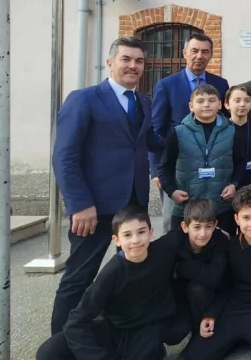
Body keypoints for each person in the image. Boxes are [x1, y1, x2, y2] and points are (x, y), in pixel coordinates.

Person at [50, 37, 167, 334]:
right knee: (80, 275)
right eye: (126, 59)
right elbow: (64, 157)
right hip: (94, 207)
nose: (133, 66)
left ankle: (120, 330)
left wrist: (197, 123)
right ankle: (61, 340)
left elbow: (153, 143)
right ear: (110, 62)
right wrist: (80, 204)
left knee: (130, 272)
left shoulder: (144, 102)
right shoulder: (84, 99)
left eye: (139, 61)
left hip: (134, 204)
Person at [37, 207, 186, 360]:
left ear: (150, 233)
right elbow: (77, 320)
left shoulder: (164, 248)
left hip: (149, 327)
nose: (135, 240)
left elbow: (188, 228)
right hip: (114, 328)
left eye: (141, 232)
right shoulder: (112, 272)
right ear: (117, 240)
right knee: (49, 352)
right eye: (127, 235)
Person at [181, 185, 251, 360]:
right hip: (235, 309)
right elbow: (225, 287)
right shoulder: (231, 246)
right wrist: (211, 315)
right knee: (193, 355)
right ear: (236, 219)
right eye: (246, 217)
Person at [151, 33, 229, 235]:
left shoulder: (221, 84)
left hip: (213, 168)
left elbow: (226, 122)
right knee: (175, 222)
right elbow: (156, 130)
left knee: (211, 221)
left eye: (205, 51)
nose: (199, 56)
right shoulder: (166, 85)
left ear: (211, 55)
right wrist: (156, 170)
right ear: (185, 53)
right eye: (194, 51)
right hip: (177, 168)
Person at [158, 84, 237, 235]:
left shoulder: (231, 131)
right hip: (186, 208)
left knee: (222, 246)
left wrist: (234, 184)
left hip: (221, 207)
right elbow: (164, 167)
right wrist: (172, 191)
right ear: (191, 106)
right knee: (181, 247)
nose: (206, 104)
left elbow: (240, 162)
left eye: (212, 100)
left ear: (220, 104)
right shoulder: (178, 132)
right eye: (200, 101)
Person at [167, 198, 230, 335]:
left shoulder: (220, 241)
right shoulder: (174, 239)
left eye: (208, 226)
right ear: (185, 227)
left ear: (215, 225)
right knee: (174, 334)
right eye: (197, 227)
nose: (203, 233)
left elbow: (215, 278)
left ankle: (199, 331)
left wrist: (180, 268)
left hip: (207, 297)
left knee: (197, 289)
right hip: (179, 297)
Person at [226, 85, 251, 189]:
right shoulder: (222, 128)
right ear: (227, 104)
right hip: (228, 186)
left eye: (247, 100)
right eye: (237, 100)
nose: (242, 104)